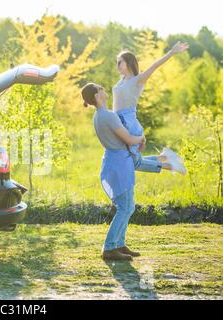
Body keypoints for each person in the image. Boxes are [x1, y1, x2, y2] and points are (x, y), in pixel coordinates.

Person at [81, 83, 176, 261]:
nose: (104, 89)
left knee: (128, 206)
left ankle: (119, 244)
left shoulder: (99, 116)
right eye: (101, 88)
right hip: (119, 164)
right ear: (96, 95)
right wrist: (141, 138)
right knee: (125, 208)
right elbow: (128, 138)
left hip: (117, 161)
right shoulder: (108, 116)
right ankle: (109, 248)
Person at [113, 42, 189, 175]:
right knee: (131, 161)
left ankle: (169, 165)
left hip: (128, 124)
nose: (117, 65)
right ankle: (165, 158)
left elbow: (154, 66)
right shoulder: (122, 80)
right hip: (119, 123)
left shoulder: (138, 80)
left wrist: (172, 52)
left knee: (134, 163)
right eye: (117, 62)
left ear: (129, 63)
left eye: (120, 62)